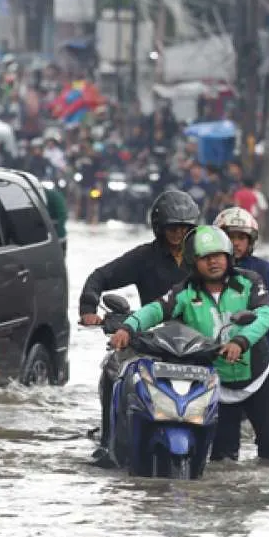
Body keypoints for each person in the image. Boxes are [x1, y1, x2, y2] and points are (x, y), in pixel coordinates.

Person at [109, 226, 269, 462]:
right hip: (216, 383)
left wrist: (240, 341)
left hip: (259, 377)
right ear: (193, 262)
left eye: (218, 256)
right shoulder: (185, 292)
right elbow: (155, 309)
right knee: (222, 458)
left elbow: (265, 315)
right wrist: (128, 328)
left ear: (228, 257)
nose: (213, 262)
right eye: (205, 258)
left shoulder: (249, 281)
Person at [80, 190, 200, 463]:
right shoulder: (144, 257)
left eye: (184, 228)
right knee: (113, 367)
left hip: (199, 342)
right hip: (151, 339)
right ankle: (109, 442)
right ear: (159, 227)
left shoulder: (205, 257)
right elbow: (99, 277)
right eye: (172, 227)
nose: (178, 233)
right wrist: (89, 310)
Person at [214, 206, 269, 381]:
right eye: (230, 236)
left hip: (262, 343)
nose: (236, 243)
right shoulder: (205, 269)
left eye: (241, 237)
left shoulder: (263, 269)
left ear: (250, 241)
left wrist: (251, 333)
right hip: (217, 343)